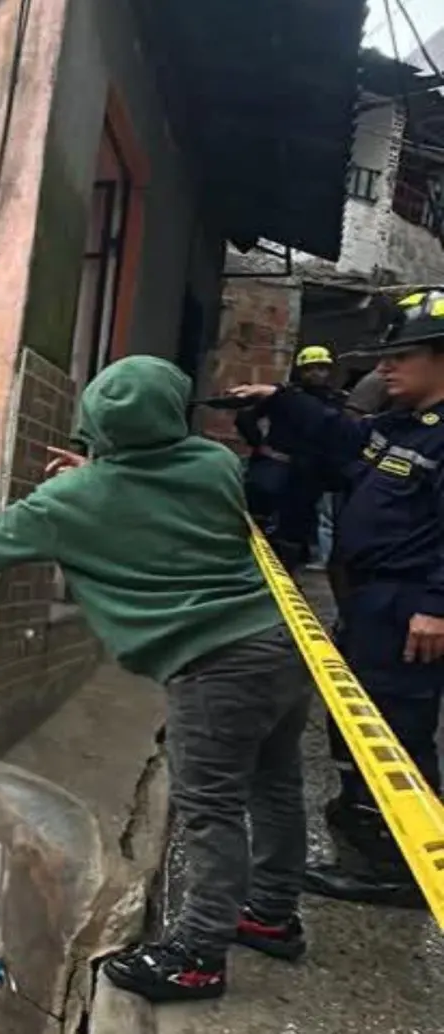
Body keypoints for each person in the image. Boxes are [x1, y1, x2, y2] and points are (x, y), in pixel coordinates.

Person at [0, 355, 311, 1004]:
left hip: (212, 666)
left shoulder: (70, 501)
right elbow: (151, 490)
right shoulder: (214, 464)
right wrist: (98, 477)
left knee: (209, 810)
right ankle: (271, 913)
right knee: (275, 784)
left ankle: (197, 956)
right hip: (282, 645)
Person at [230, 287, 444, 907]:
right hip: (372, 602)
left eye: (399, 356)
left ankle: (399, 866)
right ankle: (367, 828)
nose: (384, 367)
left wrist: (437, 604)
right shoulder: (401, 427)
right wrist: (283, 401)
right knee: (362, 725)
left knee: (398, 731)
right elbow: (344, 438)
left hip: (411, 610)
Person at [234, 345, 346, 573]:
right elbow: (245, 417)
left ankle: (287, 574)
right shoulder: (282, 395)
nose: (316, 374)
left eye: (322, 368)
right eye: (310, 369)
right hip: (275, 464)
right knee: (256, 516)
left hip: (308, 473)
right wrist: (259, 444)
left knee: (295, 528)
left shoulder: (335, 400)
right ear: (300, 371)